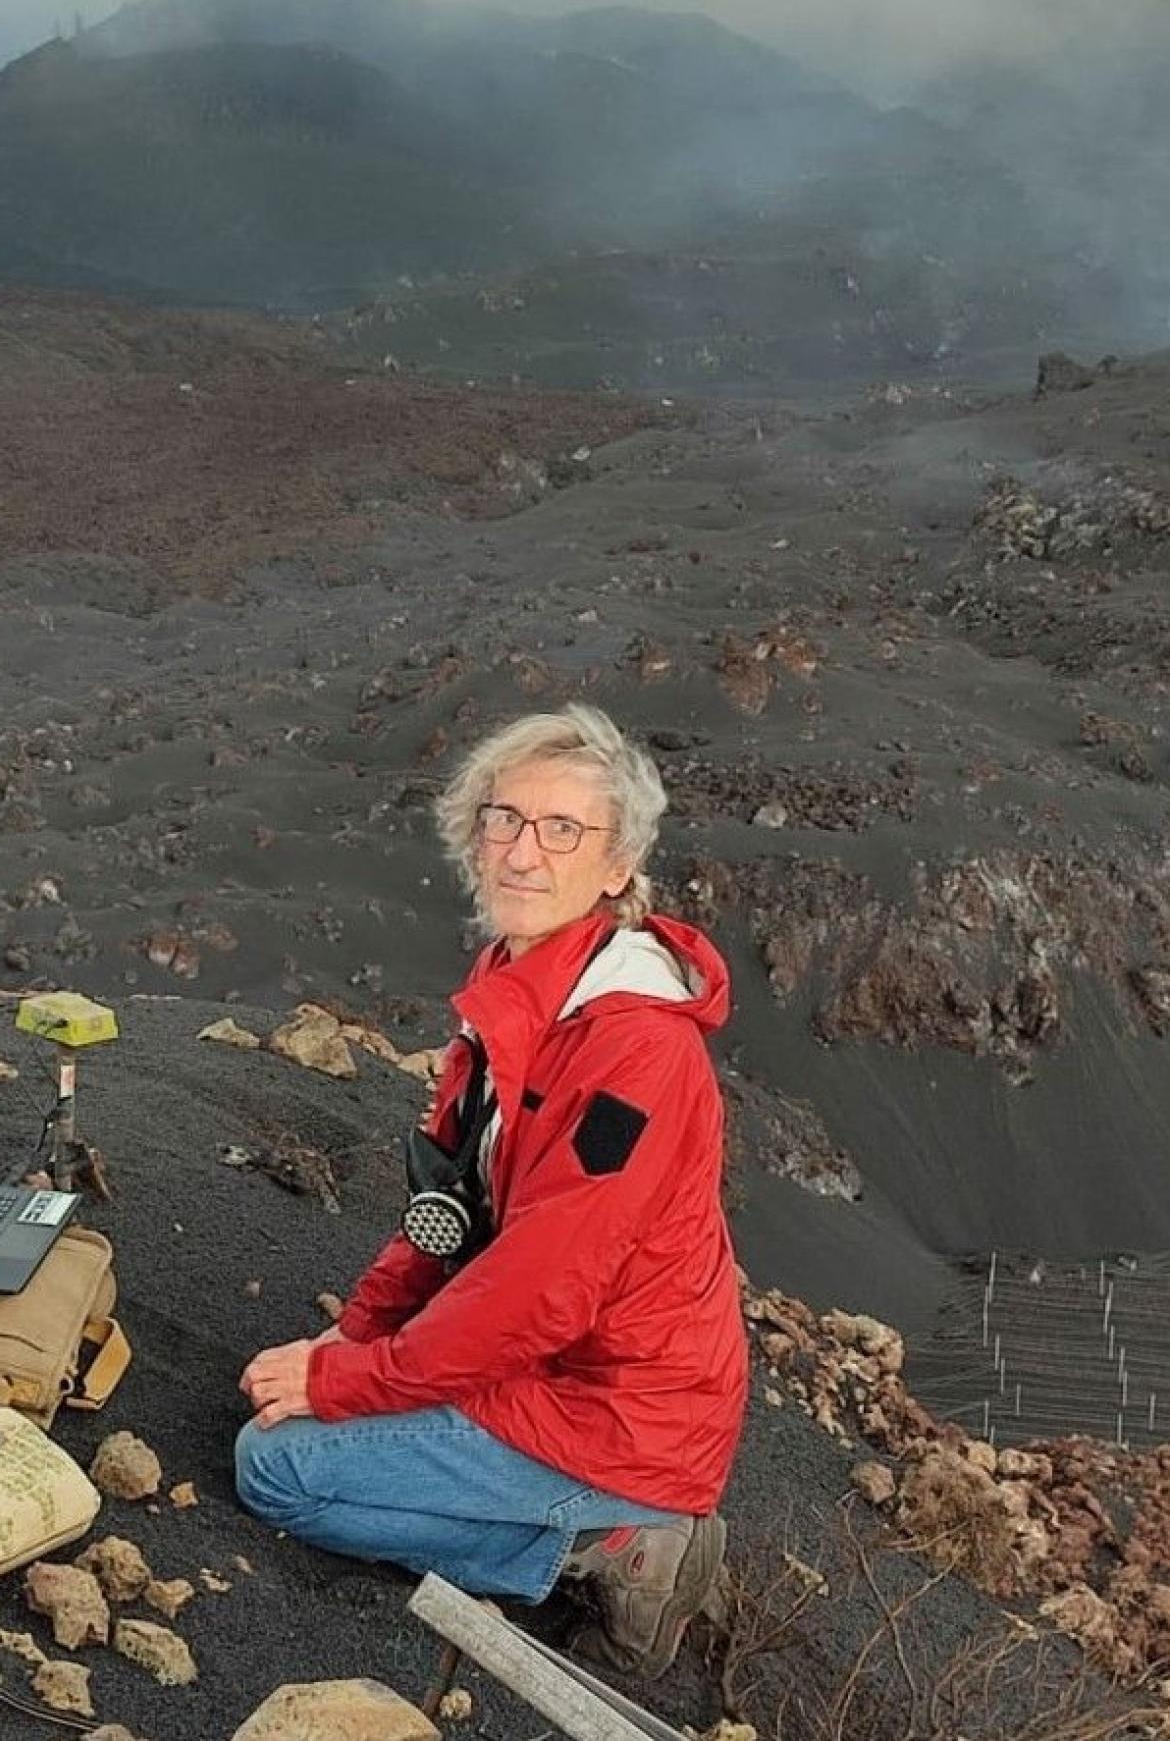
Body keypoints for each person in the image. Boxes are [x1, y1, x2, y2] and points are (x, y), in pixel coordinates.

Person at [235, 703, 746, 1678]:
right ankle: (591, 1530)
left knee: (279, 1470)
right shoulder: (518, 991)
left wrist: (347, 1383)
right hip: (556, 1368)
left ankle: (611, 1546)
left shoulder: (632, 1048)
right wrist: (354, 1331)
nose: (519, 852)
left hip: (618, 1411)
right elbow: (450, 1205)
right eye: (501, 820)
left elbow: (538, 1289)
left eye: (561, 830)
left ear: (615, 868)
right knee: (293, 1414)